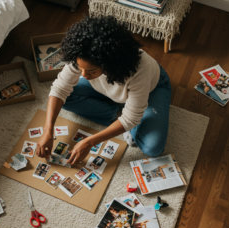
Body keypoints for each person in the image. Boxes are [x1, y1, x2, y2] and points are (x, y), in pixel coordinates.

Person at [36, 16, 171, 165]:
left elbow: (132, 119)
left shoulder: (140, 69)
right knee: (65, 98)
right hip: (114, 91)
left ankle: (125, 111)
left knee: (152, 147)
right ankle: (119, 113)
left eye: (91, 71)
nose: (83, 75)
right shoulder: (83, 53)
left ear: (109, 64)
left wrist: (89, 142)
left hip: (153, 87)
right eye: (79, 68)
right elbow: (59, 89)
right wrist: (48, 131)